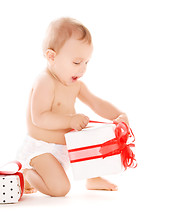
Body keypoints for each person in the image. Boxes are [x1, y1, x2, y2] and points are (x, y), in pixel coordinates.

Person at [18, 17, 129, 197]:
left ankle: (93, 178)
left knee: (94, 135)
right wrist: (70, 120)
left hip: (68, 145)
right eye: (77, 63)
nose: (83, 69)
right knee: (60, 188)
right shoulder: (45, 82)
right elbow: (39, 118)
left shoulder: (75, 85)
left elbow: (96, 103)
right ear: (51, 57)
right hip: (43, 148)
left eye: (86, 62)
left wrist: (119, 116)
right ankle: (27, 174)